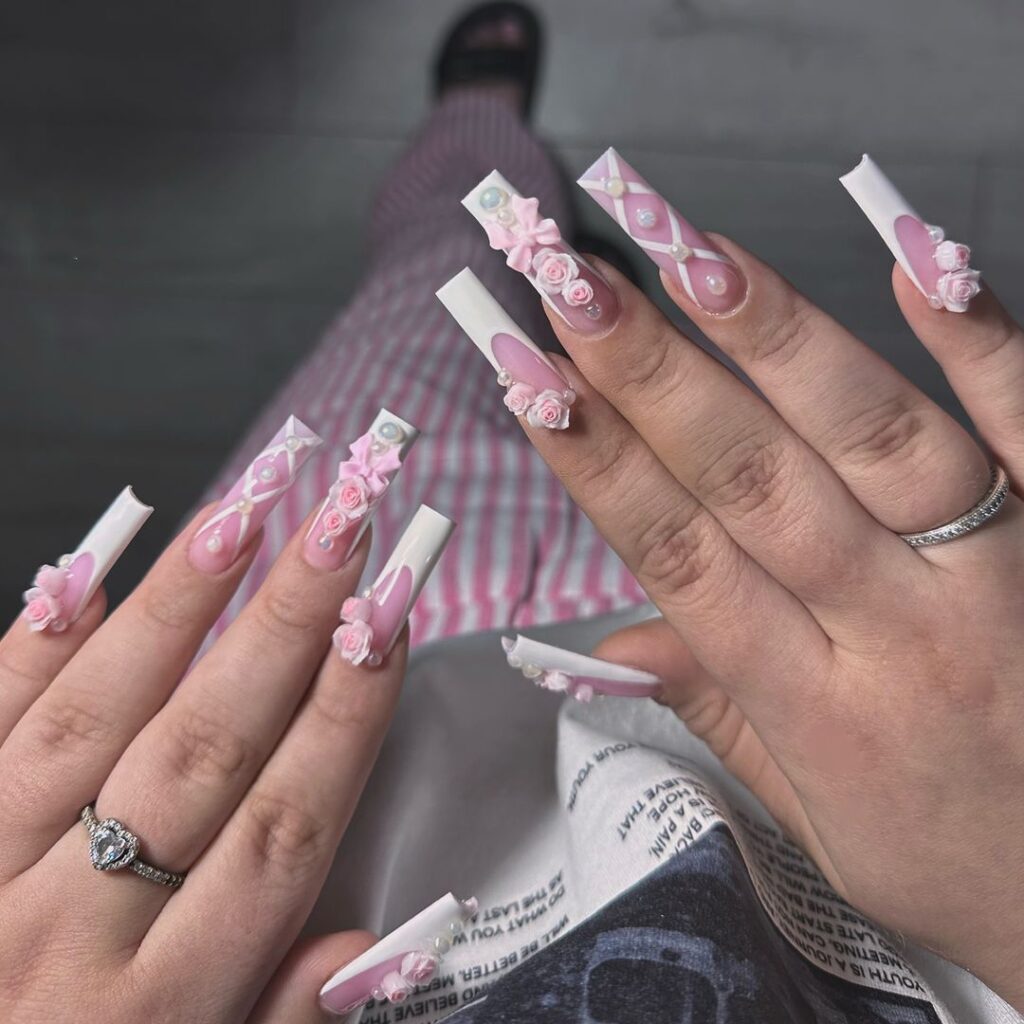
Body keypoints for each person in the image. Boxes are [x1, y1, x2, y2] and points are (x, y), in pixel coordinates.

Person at [1, 4, 1022, 1022]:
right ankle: (536, 241)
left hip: (297, 752)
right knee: (505, 349)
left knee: (429, 301)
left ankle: (489, 162)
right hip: (783, 724)